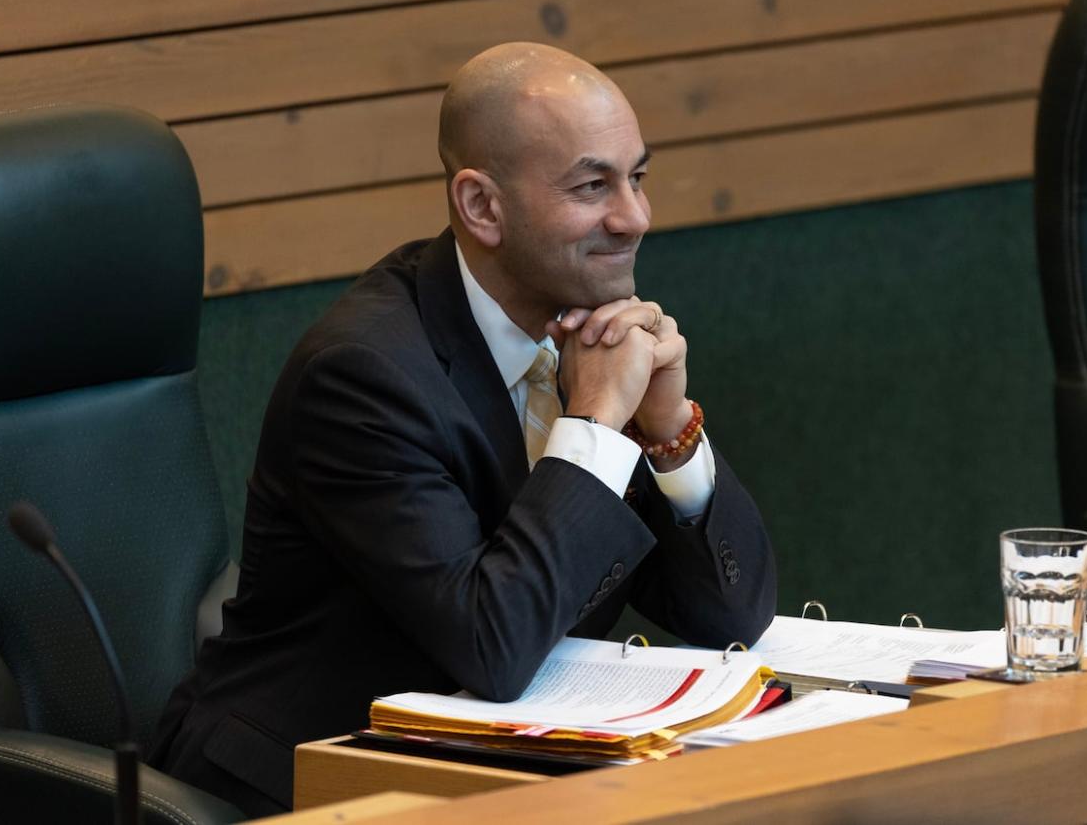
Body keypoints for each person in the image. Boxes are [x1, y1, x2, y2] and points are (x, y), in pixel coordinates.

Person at [148, 42, 776, 817]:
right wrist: (594, 424)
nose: (635, 217)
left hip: (498, 773)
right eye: (592, 185)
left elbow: (730, 616)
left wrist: (668, 426)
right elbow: (494, 645)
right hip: (305, 787)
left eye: (637, 177)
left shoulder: (582, 337)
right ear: (482, 206)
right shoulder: (364, 375)